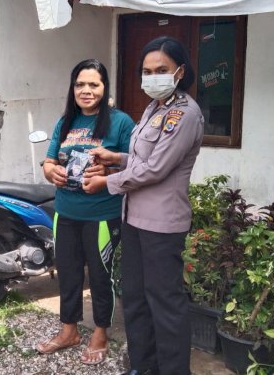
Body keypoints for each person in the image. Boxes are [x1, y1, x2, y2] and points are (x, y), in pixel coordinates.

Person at [83, 36, 204, 375]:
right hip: (135, 218)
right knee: (134, 298)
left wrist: (106, 181)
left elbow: (156, 169)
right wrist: (116, 157)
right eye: (147, 71)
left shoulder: (185, 114)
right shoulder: (153, 108)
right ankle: (142, 365)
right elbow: (141, 158)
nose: (152, 77)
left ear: (180, 71)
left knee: (165, 304)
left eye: (161, 70)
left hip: (163, 225)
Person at [35, 59, 135, 365]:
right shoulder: (65, 121)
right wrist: (50, 171)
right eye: (80, 84)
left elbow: (137, 162)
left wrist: (110, 165)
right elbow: (50, 160)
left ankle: (100, 332)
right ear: (73, 88)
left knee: (101, 276)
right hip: (65, 212)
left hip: (102, 214)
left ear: (105, 89)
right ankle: (69, 331)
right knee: (67, 272)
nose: (86, 90)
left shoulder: (121, 123)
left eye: (94, 84)